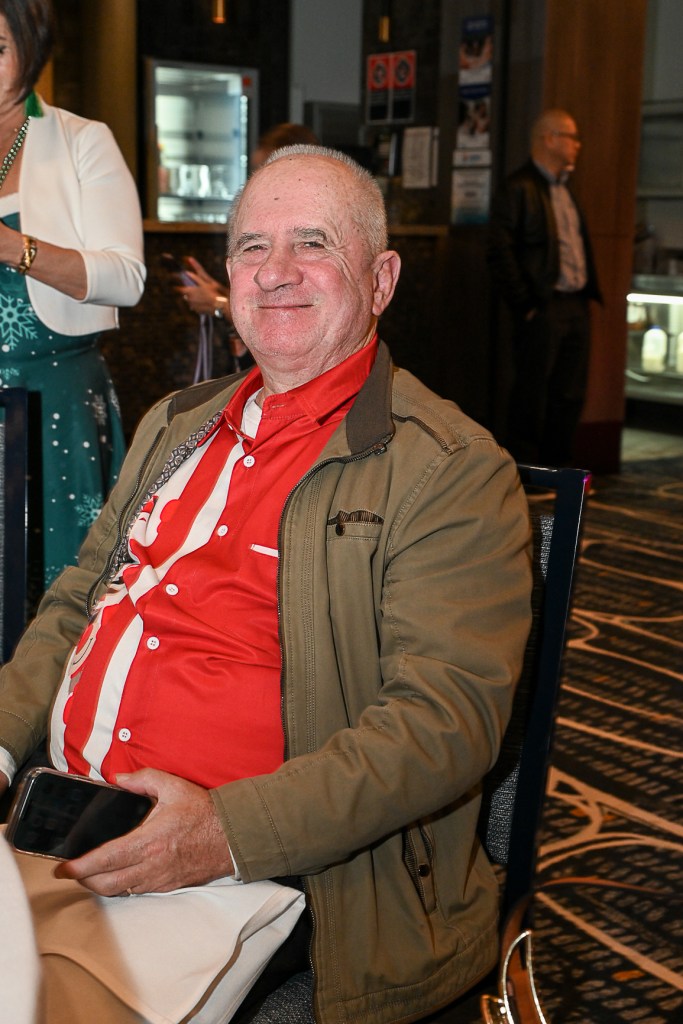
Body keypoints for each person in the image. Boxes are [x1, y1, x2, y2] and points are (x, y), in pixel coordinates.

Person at [0, 145, 532, 1024]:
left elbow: (443, 723)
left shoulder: (448, 470)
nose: (275, 271)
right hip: (59, 823)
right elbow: (74, 605)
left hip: (265, 876)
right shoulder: (176, 423)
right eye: (252, 247)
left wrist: (223, 835)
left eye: (312, 243)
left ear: (381, 280)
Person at [0, 0, 145, 592]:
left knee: (58, 591)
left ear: (31, 48)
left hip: (53, 403)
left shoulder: (80, 140)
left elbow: (126, 277)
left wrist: (14, 248)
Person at [487, 108, 602, 466]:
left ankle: (560, 470)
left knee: (570, 393)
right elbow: (499, 250)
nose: (578, 145)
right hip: (543, 306)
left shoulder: (565, 189)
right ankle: (530, 473)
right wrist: (526, 304)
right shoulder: (518, 187)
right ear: (550, 139)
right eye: (572, 137)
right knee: (532, 392)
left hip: (576, 304)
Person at [176, 123, 320, 373]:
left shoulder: (312, 224)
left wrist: (218, 304)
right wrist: (225, 293)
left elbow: (293, 316)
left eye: (264, 170)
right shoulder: (267, 218)